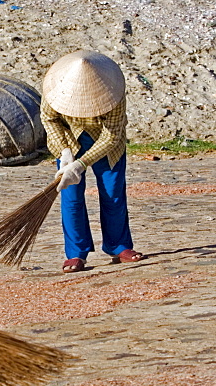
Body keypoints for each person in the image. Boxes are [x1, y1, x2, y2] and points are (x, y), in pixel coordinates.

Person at [40, 50, 144, 273]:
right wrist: (66, 154)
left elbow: (112, 136)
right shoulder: (54, 88)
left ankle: (118, 246)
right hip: (69, 140)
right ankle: (76, 253)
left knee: (112, 193)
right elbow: (49, 119)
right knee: (71, 197)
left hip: (107, 144)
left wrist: (81, 164)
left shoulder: (113, 93)